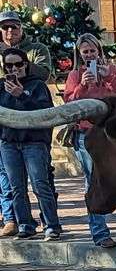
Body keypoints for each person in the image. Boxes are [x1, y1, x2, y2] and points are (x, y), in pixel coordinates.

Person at [64, 33, 116, 249]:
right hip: (87, 134)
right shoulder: (74, 74)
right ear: (79, 54)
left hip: (114, 131)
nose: (90, 55)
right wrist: (82, 85)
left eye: (93, 50)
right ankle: (99, 233)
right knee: (93, 181)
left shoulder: (113, 69)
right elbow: (70, 104)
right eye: (85, 52)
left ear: (99, 50)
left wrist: (109, 77)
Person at [0, 47, 62, 240]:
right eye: (8, 65)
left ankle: (51, 225)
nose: (14, 69)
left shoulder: (37, 85)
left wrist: (22, 95)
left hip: (34, 143)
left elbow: (46, 112)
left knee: (40, 185)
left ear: (25, 64)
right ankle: (25, 224)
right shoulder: (1, 86)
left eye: (18, 64)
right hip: (9, 143)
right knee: (16, 187)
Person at [0, 10, 52, 80]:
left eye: (14, 26)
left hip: (30, 89)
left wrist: (20, 62)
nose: (10, 30)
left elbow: (44, 74)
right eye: (5, 27)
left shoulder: (38, 49)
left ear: (21, 29)